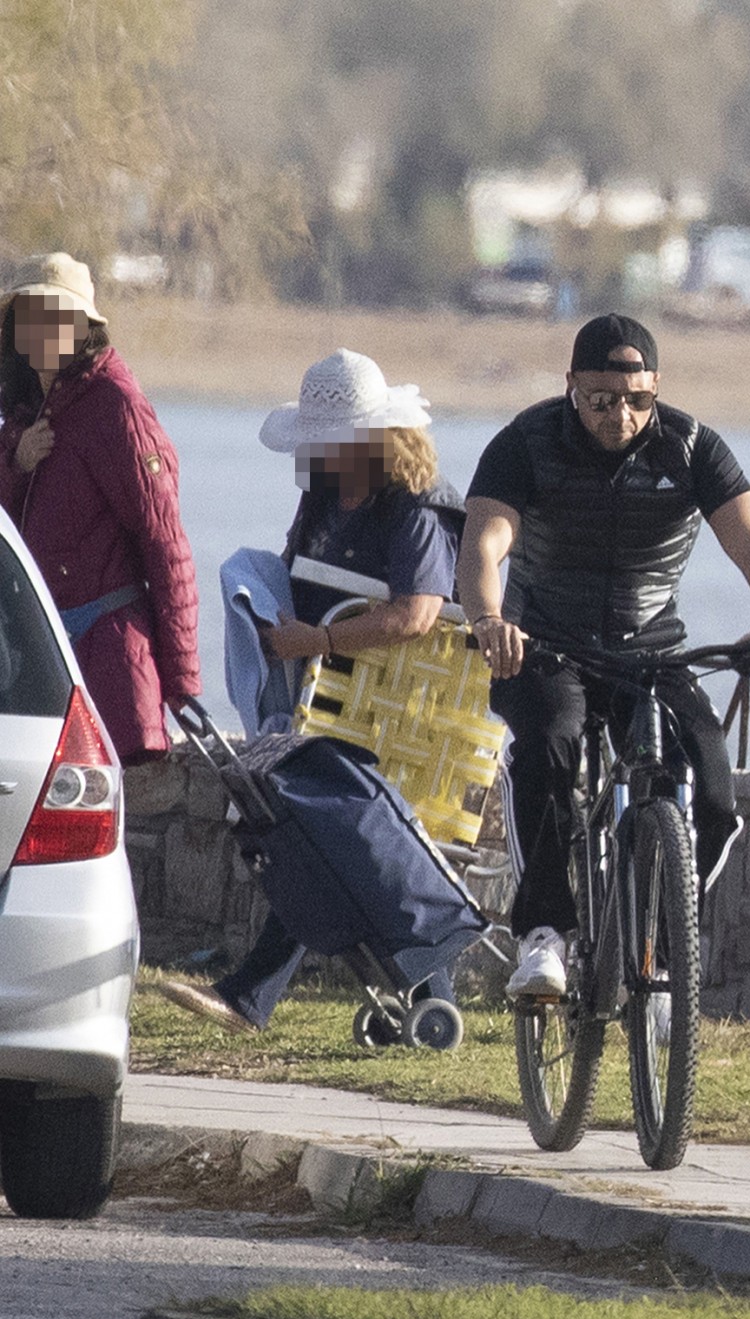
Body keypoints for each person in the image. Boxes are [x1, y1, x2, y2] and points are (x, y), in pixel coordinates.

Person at [460, 313, 750, 998]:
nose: (620, 414)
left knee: (713, 792)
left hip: (652, 653)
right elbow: (482, 543)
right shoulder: (526, 444)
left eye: (637, 399)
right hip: (545, 648)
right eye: (601, 399)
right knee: (551, 745)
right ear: (571, 387)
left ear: (656, 391)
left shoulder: (690, 447)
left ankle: (659, 941)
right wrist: (487, 619)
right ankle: (543, 932)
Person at [160, 349, 461, 1035]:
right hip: (326, 704)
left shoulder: (411, 510)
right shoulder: (323, 496)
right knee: (326, 842)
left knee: (316, 836)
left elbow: (418, 615)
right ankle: (427, 999)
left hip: (391, 711)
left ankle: (251, 995)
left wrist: (316, 642)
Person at [0, 253, 200, 762]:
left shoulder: (117, 406)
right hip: (41, 663)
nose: (42, 331)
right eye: (30, 318)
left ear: (81, 328)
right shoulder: (26, 408)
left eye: (56, 319)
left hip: (107, 660)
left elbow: (166, 543)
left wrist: (182, 683)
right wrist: (17, 461)